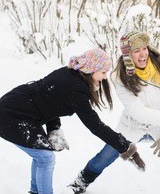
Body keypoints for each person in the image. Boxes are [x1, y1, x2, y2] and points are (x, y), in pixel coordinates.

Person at [69, 31, 160, 194]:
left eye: (144, 48)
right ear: (128, 56)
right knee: (105, 156)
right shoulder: (118, 76)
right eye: (136, 51)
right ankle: (79, 184)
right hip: (132, 125)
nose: (142, 54)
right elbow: (137, 112)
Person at [0, 48, 143, 194]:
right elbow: (95, 126)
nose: (105, 77)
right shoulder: (76, 88)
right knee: (45, 158)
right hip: (11, 114)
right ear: (92, 70)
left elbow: (49, 101)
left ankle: (36, 191)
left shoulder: (70, 74)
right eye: (103, 72)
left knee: (42, 155)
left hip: (21, 108)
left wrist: (53, 129)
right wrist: (125, 146)